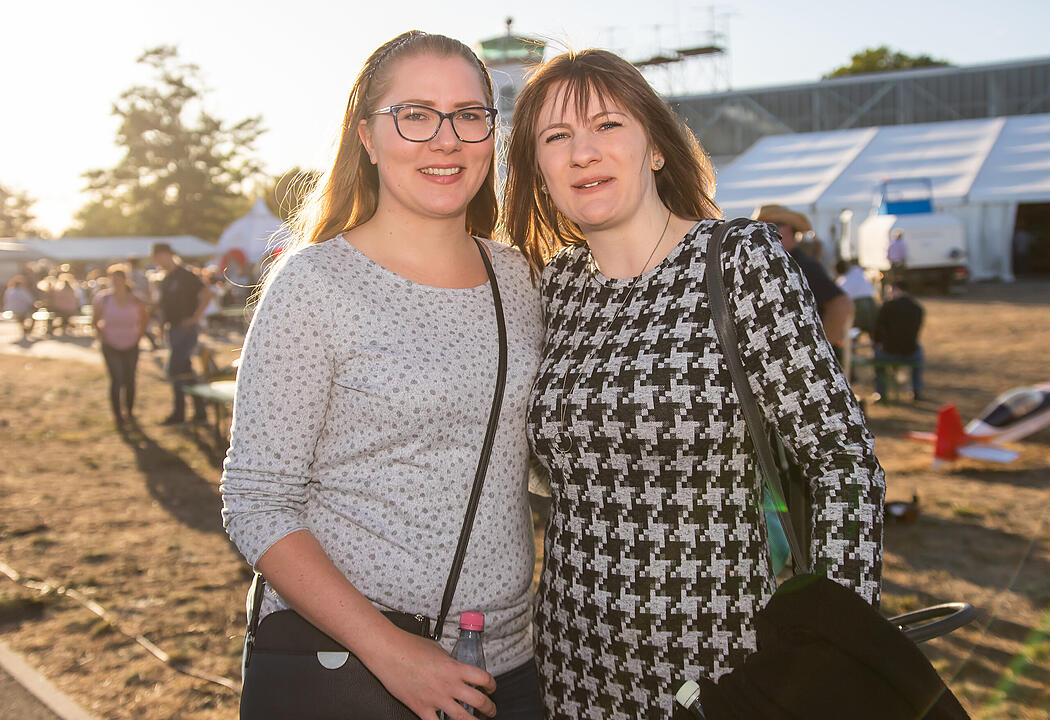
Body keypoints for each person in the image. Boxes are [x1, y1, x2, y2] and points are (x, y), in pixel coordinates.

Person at [503, 49, 885, 718]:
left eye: (607, 126)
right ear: (539, 170)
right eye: (556, 138)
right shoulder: (558, 286)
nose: (582, 153)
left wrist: (834, 645)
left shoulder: (740, 259)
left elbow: (842, 461)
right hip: (573, 661)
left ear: (655, 146)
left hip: (724, 663)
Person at [220, 30, 544, 720]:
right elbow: (257, 502)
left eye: (469, 114)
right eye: (415, 114)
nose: (446, 139)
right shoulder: (315, 284)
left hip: (510, 662)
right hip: (355, 666)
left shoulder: (520, 280)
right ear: (366, 135)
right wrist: (392, 652)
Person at [752, 205, 854, 363]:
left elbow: (841, 305)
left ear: (789, 229)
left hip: (809, 363)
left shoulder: (802, 265)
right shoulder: (774, 263)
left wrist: (819, 349)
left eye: (773, 225)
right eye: (760, 227)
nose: (765, 232)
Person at [150, 242, 212, 425]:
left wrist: (195, 317)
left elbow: (208, 294)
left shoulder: (185, 275)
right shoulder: (165, 279)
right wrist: (161, 328)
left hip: (186, 329)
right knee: (185, 370)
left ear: (168, 255)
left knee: (175, 370)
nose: (157, 261)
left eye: (159, 256)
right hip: (173, 328)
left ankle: (180, 413)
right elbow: (164, 308)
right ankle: (199, 412)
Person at [92, 264, 149, 427]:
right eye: (113, 279)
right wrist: (102, 337)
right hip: (110, 344)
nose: (116, 282)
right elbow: (95, 320)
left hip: (131, 342)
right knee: (117, 379)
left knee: (130, 379)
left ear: (125, 280)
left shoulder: (135, 299)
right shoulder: (103, 298)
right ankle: (117, 414)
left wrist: (139, 335)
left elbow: (145, 318)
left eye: (119, 279)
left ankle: (129, 412)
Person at [872, 282, 925, 402]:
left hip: (888, 353)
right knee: (920, 350)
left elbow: (877, 330)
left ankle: (880, 392)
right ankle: (917, 390)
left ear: (896, 290)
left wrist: (877, 343)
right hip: (910, 352)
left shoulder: (887, 306)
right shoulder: (917, 308)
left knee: (877, 358)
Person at [836, 259, 879, 339]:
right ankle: (875, 346)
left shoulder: (842, 283)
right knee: (872, 329)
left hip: (857, 305)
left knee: (855, 330)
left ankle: (852, 346)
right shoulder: (857, 270)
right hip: (870, 302)